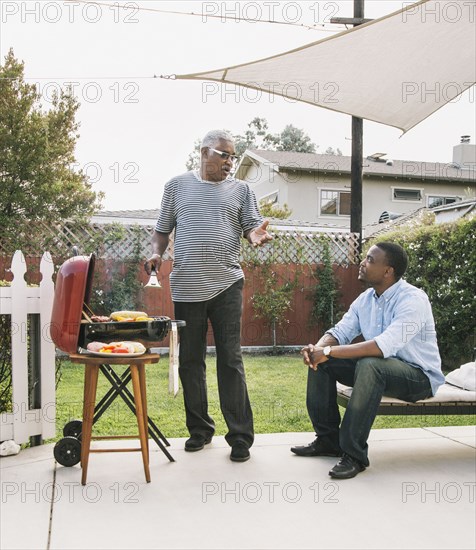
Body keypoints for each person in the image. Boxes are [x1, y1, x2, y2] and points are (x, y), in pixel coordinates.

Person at [145, 129, 272, 462]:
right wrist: (156, 253)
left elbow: (251, 227)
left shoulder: (242, 190)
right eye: (224, 155)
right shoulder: (176, 186)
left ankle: (240, 436)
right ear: (204, 153)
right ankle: (200, 430)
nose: (230, 162)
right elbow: (161, 231)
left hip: (227, 284)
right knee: (190, 361)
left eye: (233, 156)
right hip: (187, 286)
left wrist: (255, 235)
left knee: (230, 358)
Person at [291, 242, 445, 479]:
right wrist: (318, 349)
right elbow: (340, 331)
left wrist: (330, 352)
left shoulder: (414, 300)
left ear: (388, 271)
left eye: (371, 259)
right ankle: (327, 441)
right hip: (379, 369)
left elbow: (383, 346)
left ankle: (354, 455)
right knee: (323, 363)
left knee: (369, 364)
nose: (363, 262)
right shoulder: (366, 299)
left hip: (418, 377)